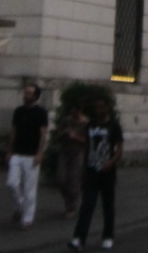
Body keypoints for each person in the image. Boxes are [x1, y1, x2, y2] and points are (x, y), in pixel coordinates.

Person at [69, 97, 123, 253]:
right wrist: (84, 168)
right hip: (92, 170)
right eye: (96, 107)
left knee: (107, 205)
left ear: (107, 108)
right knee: (87, 205)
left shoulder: (113, 126)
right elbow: (87, 146)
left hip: (107, 172)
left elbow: (119, 149)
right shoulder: (90, 125)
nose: (98, 110)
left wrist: (110, 163)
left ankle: (108, 236)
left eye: (101, 107)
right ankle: (79, 238)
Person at [6, 83, 49, 230]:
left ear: (36, 96)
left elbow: (43, 134)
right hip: (17, 153)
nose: (26, 95)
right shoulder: (18, 111)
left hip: (31, 155)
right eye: (26, 92)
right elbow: (14, 131)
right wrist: (10, 150)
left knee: (29, 188)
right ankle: (19, 206)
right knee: (11, 183)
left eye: (30, 93)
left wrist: (39, 153)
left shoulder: (41, 112)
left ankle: (27, 217)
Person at [54, 101, 89, 219]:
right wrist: (64, 134)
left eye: (76, 112)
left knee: (73, 180)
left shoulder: (85, 123)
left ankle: (71, 207)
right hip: (64, 152)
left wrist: (76, 136)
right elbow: (57, 136)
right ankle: (68, 200)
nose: (74, 114)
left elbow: (88, 141)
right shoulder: (66, 121)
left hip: (77, 153)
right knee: (61, 179)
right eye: (72, 111)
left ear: (80, 111)